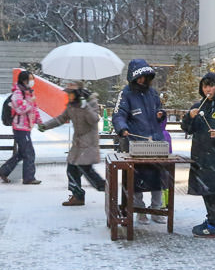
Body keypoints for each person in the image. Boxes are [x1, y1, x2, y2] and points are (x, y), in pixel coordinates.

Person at [112, 59, 168, 224]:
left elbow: (160, 109)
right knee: (136, 180)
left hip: (156, 142)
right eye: (140, 77)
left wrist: (161, 114)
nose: (142, 81)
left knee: (158, 178)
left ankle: (156, 210)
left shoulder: (153, 93)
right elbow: (119, 114)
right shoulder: (126, 94)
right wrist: (122, 128)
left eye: (145, 77)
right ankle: (140, 210)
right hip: (136, 142)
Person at [38, 82, 106, 206]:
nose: (68, 95)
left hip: (89, 143)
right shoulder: (71, 106)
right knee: (72, 169)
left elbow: (94, 120)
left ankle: (106, 189)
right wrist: (45, 125)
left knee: (86, 170)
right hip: (78, 143)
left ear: (77, 93)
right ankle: (77, 196)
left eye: (70, 93)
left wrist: (85, 107)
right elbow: (61, 119)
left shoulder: (90, 102)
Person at [183, 72, 215, 238]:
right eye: (205, 86)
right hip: (200, 156)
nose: (207, 89)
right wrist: (189, 117)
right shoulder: (198, 106)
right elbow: (187, 129)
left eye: (211, 85)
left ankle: (212, 223)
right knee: (205, 190)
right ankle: (210, 220)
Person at [0, 70, 42, 185]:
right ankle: (28, 178)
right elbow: (20, 109)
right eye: (31, 78)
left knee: (22, 153)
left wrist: (39, 120)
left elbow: (34, 108)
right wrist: (29, 102)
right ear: (24, 80)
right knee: (29, 153)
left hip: (26, 127)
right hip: (19, 128)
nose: (33, 81)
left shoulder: (29, 92)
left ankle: (3, 171)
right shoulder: (18, 93)